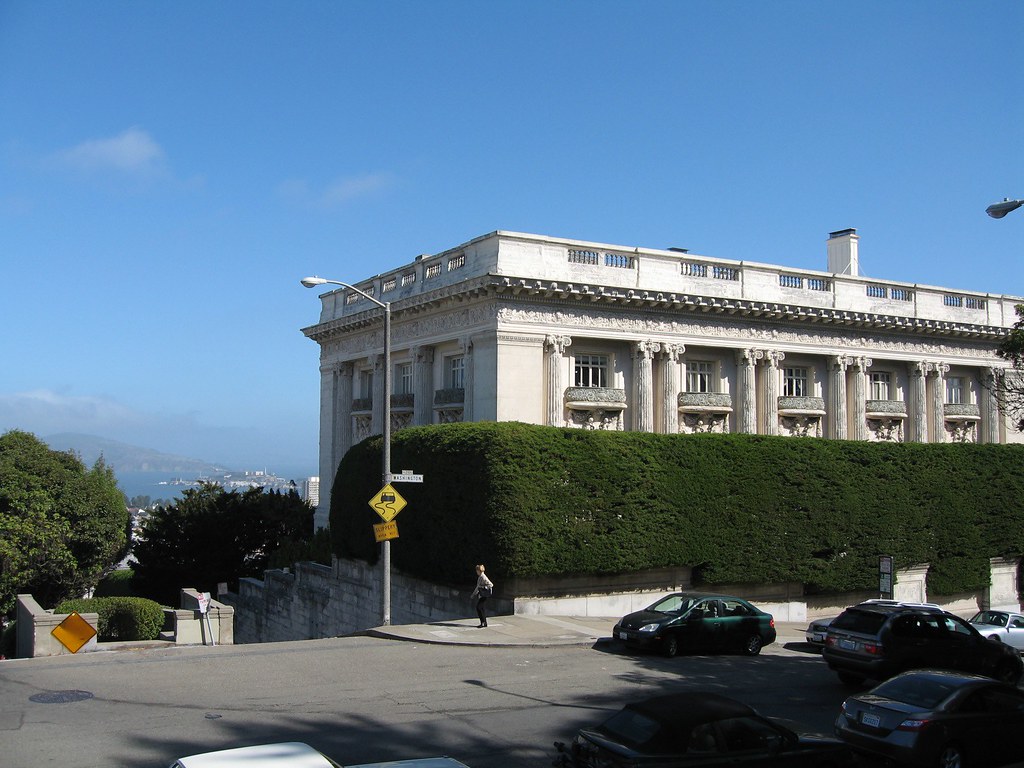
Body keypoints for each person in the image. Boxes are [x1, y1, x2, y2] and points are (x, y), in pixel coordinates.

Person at [471, 564, 494, 628]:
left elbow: (491, 585)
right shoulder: (481, 576)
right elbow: (477, 587)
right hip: (483, 594)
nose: (476, 572)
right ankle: (484, 622)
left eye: (477, 570)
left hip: (484, 594)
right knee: (482, 608)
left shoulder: (483, 577)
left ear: (479, 570)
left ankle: (483, 622)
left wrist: (483, 587)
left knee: (479, 607)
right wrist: (474, 594)